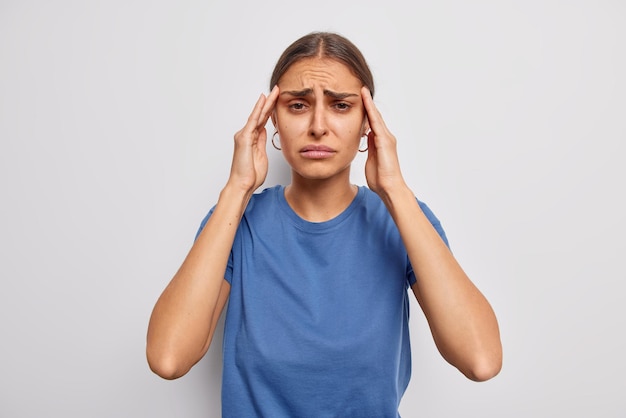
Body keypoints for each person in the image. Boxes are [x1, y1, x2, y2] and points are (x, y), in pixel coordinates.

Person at [146, 31, 502, 417]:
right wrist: (237, 188)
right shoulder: (236, 222)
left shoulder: (402, 220)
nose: (318, 125)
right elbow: (169, 359)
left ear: (368, 122)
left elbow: (480, 361)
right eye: (297, 105)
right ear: (272, 121)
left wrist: (395, 189)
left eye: (340, 106)